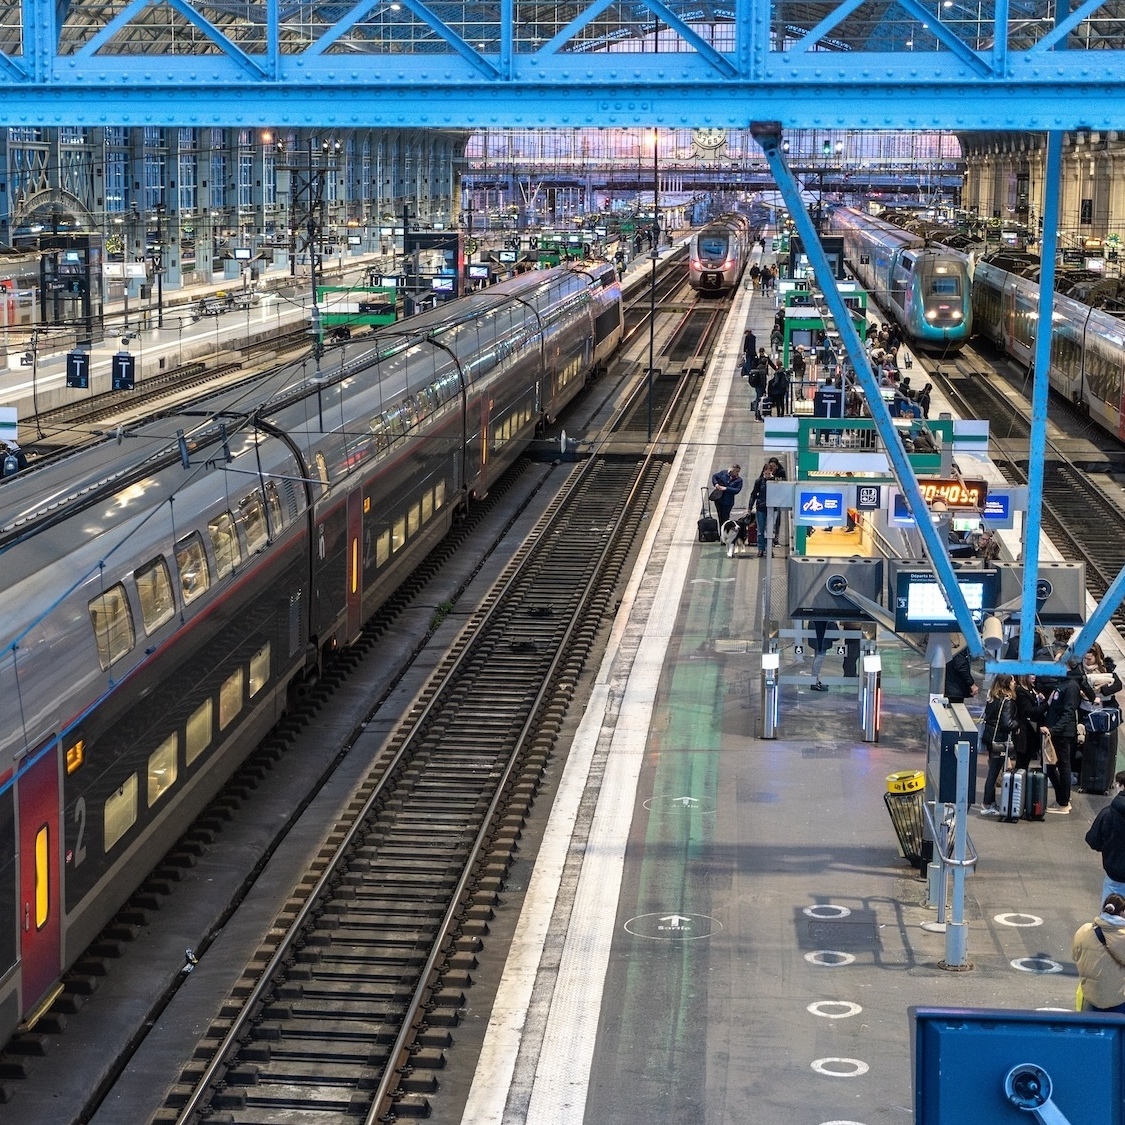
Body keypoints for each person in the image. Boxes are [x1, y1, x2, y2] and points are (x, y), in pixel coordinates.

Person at [1043, 659, 1097, 814]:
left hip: (1062, 733)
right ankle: (1061, 798)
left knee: (1062, 766)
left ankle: (1063, 801)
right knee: (1052, 766)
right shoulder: (1063, 683)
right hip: (1055, 730)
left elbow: (1068, 711)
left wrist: (1054, 729)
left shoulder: (1071, 686)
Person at [1073, 893, 1125, 1014]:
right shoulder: (1122, 936)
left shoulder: (1084, 930)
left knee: (1090, 1029)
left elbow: (1075, 956)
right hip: (1118, 999)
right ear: (1123, 913)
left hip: (1090, 995)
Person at [978, 674, 1018, 816]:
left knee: (993, 770)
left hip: (989, 736)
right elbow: (1007, 723)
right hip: (999, 739)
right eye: (1012, 680)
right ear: (1007, 683)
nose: (1015, 682)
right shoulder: (1007, 701)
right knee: (994, 773)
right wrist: (1017, 724)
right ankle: (987, 803)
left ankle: (990, 802)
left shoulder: (992, 696)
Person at [1087, 774, 1125, 903]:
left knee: (1110, 914)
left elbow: (1093, 841)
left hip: (1114, 875)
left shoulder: (1108, 813)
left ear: (1121, 786)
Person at [1014, 674, 1048, 772]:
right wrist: (1046, 705)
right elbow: (1029, 711)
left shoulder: (1031, 689)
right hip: (1024, 731)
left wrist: (1039, 700)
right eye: (1031, 674)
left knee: (1025, 760)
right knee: (1022, 762)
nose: (1034, 676)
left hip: (1031, 731)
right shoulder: (1020, 691)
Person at [748, 462, 775, 558]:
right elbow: (753, 494)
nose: (767, 475)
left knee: (770, 530)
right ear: (763, 472)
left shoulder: (776, 482)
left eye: (769, 473)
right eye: (766, 473)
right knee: (760, 530)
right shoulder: (759, 482)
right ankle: (761, 548)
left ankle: (769, 549)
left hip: (772, 508)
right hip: (761, 508)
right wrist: (750, 507)